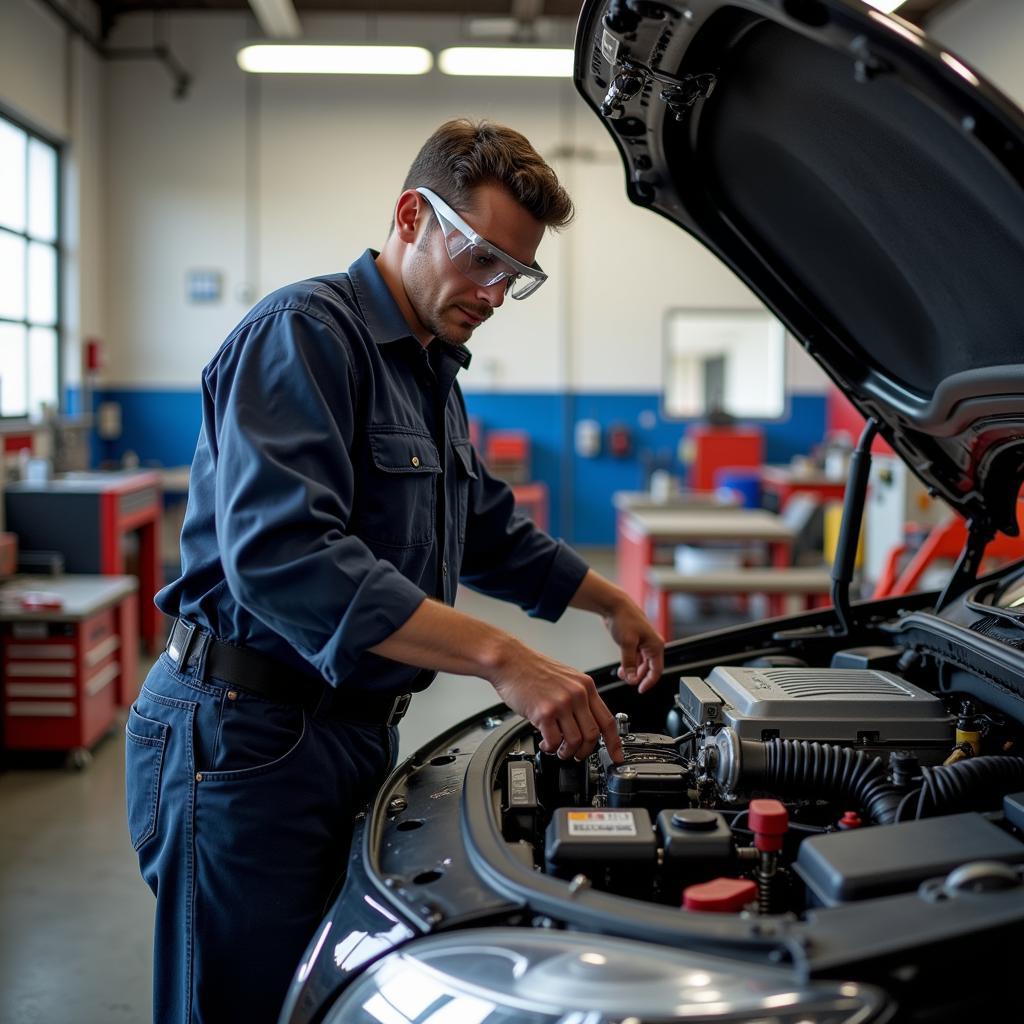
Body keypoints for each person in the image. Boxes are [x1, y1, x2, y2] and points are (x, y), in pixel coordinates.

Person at [124, 118, 664, 1024]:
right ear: (412, 215)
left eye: (516, 276)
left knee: (314, 996)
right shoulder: (302, 337)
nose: (495, 293)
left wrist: (607, 600)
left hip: (341, 733)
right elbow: (285, 556)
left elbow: (481, 527)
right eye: (485, 259)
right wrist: (504, 657)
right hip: (243, 739)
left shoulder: (426, 371)